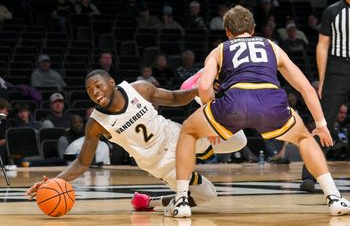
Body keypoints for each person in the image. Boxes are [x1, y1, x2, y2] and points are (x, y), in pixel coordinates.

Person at [169, 5, 350, 218]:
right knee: (304, 138)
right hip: (270, 102)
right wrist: (321, 125)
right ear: (253, 30)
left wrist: (211, 119)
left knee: (189, 130)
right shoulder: (271, 46)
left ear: (227, 32)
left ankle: (181, 200)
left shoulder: (219, 50)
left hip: (234, 102)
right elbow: (306, 89)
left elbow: (204, 87)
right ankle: (334, 197)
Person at [26, 69, 248, 212]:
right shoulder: (96, 123)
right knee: (207, 196)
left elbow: (172, 98)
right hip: (161, 164)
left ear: (111, 82)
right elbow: (82, 163)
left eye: (98, 85)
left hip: (179, 137)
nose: (95, 91)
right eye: (90, 90)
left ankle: (202, 95)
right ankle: (149, 201)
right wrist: (54, 182)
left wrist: (194, 91)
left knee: (239, 141)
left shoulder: (139, 89)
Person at [301, 0, 350, 191]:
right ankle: (309, 176)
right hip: (336, 69)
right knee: (323, 123)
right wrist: (322, 80)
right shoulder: (332, 11)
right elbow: (322, 45)